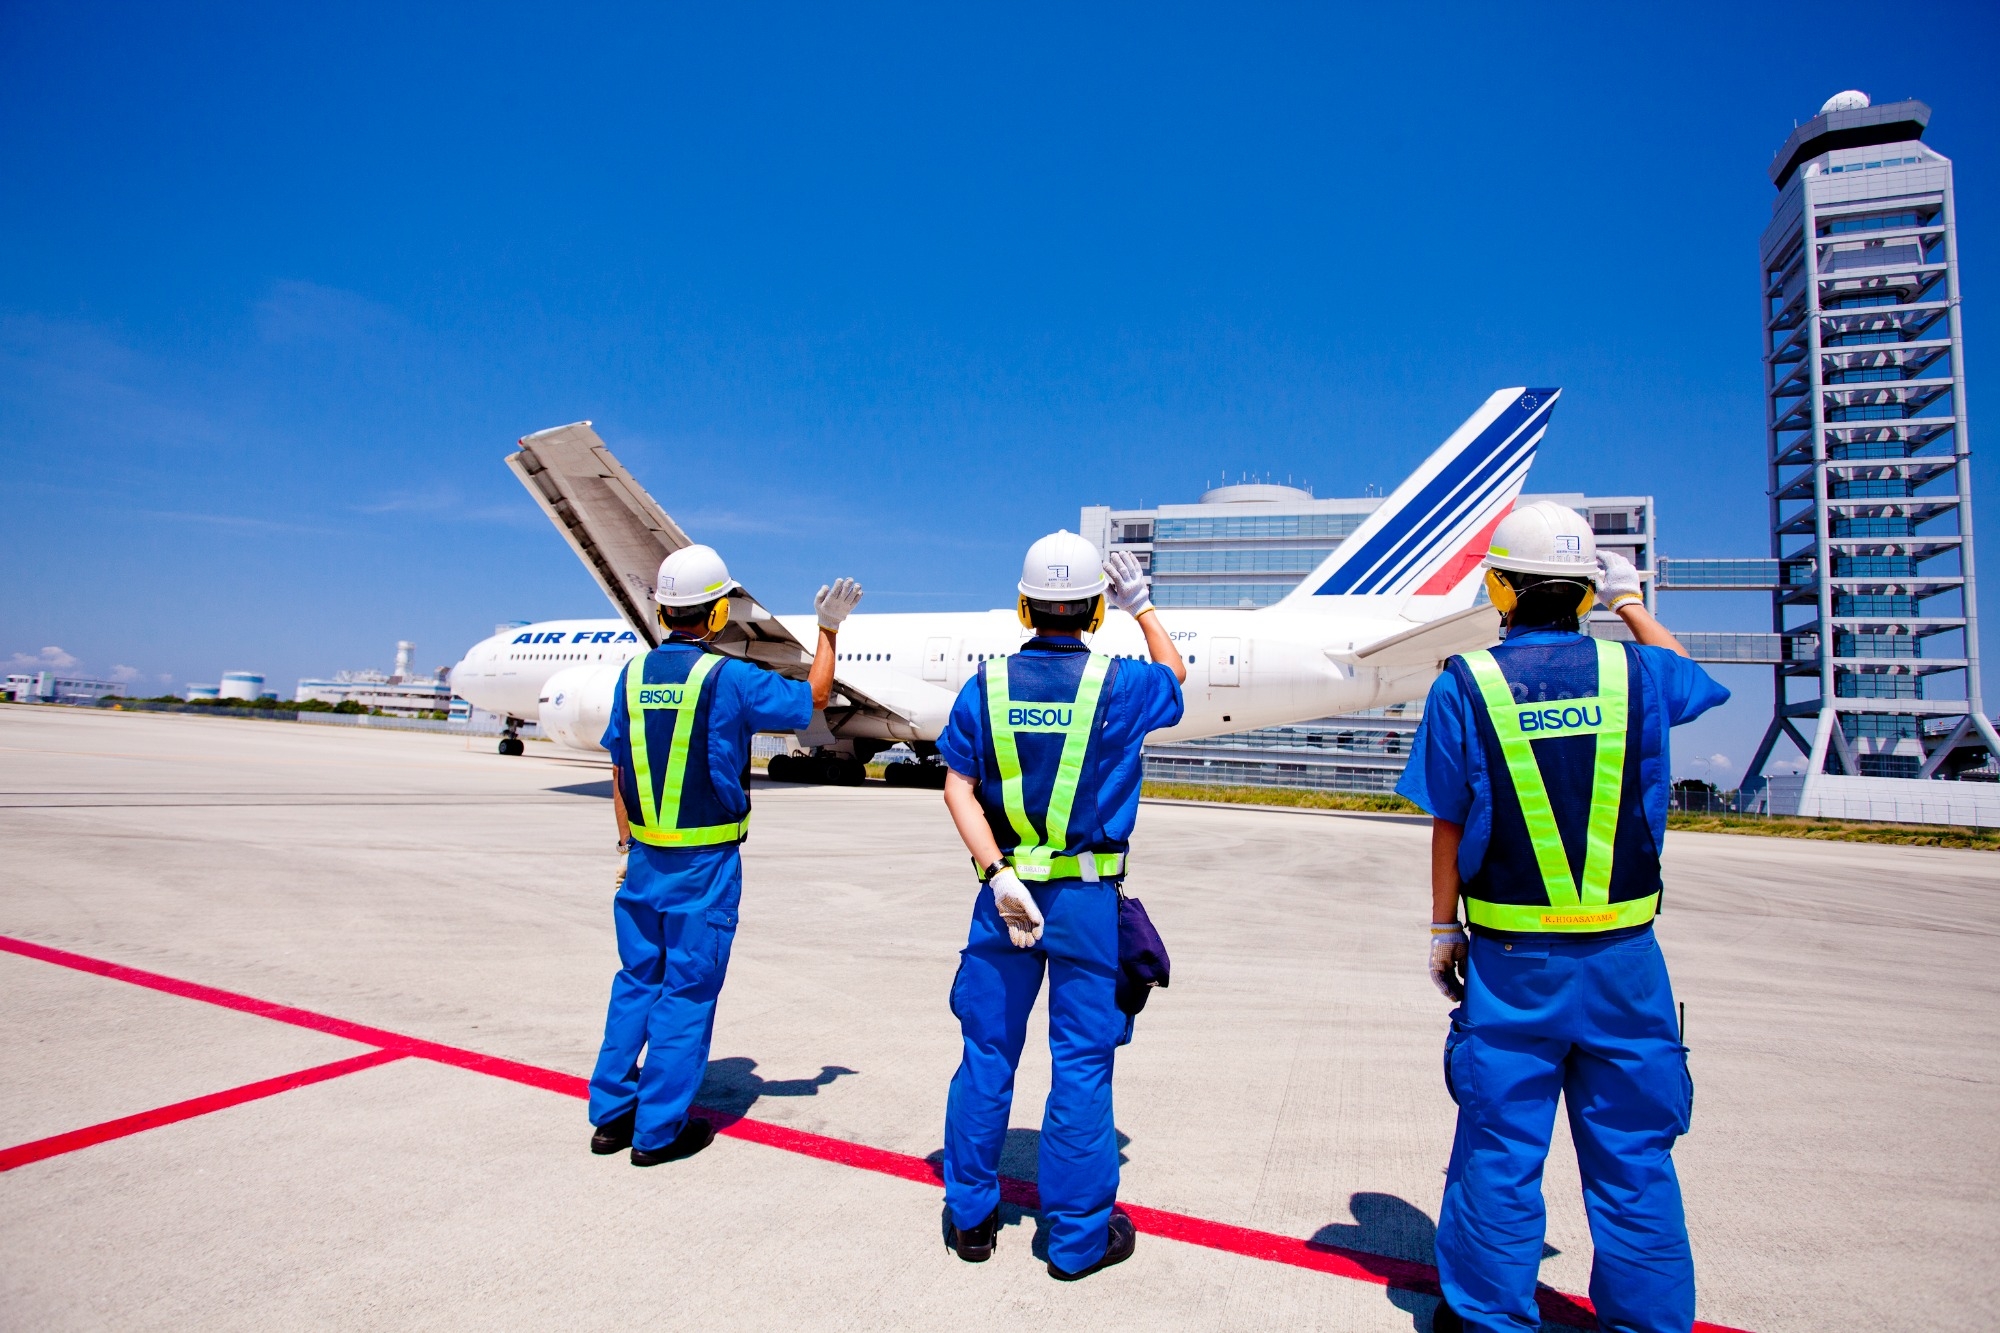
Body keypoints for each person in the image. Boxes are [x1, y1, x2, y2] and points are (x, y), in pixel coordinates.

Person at [1396, 502, 1729, 1333]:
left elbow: (1446, 818)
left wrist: (1444, 931)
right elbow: (1698, 681)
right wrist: (1633, 601)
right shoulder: (1637, 675)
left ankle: (1490, 1318)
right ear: (1585, 592)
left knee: (1499, 1155)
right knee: (1634, 1161)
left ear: (1497, 589)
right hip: (1626, 962)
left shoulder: (1463, 683)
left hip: (1512, 964)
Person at [934, 531, 1186, 1280]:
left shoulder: (984, 685)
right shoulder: (1123, 685)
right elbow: (1176, 677)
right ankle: (1076, 1241)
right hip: (1085, 900)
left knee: (986, 1054)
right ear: (1095, 611)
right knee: (1080, 1064)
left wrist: (997, 873)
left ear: (1023, 605)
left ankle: (972, 1218)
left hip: (1003, 896)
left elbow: (956, 785)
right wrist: (1144, 608)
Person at [587, 544, 862, 1165]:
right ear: (716, 616)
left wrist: (627, 844)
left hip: (644, 858)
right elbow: (814, 697)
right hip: (704, 865)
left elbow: (620, 769)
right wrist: (826, 630)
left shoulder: (630, 676)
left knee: (636, 981)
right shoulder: (729, 677)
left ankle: (610, 1116)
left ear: (661, 613)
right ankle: (658, 1132)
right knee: (687, 990)